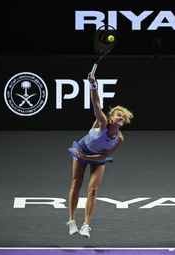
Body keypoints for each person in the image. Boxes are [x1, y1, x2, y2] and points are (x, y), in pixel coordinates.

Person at [66, 72, 133, 238]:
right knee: (76, 184)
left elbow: (103, 157)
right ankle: (72, 221)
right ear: (110, 119)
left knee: (93, 190)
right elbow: (96, 103)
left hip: (96, 158)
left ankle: (86, 225)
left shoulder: (119, 139)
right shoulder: (101, 122)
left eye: (123, 117)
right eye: (119, 115)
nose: (122, 117)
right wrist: (93, 85)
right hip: (83, 148)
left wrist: (87, 158)